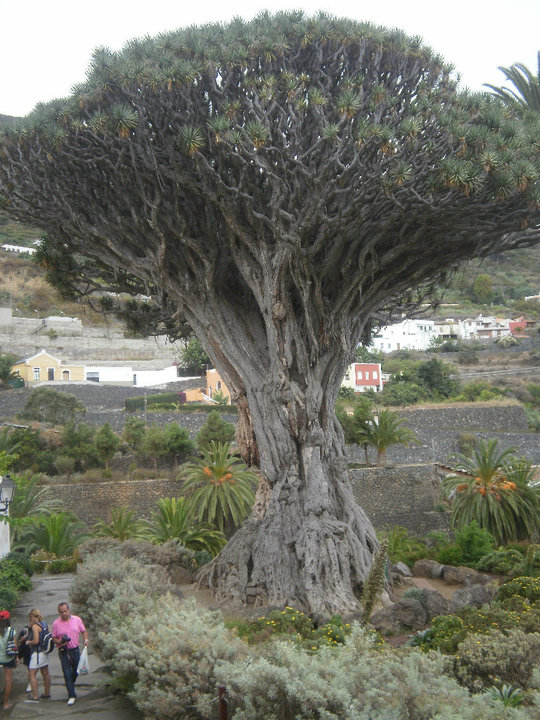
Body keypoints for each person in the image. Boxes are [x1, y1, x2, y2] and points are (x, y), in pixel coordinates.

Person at [52, 602, 88, 706]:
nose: (64, 613)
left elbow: (83, 631)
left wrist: (86, 639)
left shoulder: (77, 620)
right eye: (61, 612)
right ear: (59, 613)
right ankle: (72, 695)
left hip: (75, 650)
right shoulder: (56, 623)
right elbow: (53, 637)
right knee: (67, 673)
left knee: (77, 670)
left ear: (69, 610)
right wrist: (59, 642)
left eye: (65, 611)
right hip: (63, 650)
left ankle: (70, 684)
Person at [20, 608, 51, 703]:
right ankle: (46, 693)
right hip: (45, 652)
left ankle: (35, 696)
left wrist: (29, 641)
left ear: (32, 616)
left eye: (30, 617)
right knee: (45, 673)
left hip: (37, 653)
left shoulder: (35, 627)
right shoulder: (44, 624)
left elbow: (36, 641)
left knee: (32, 673)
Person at [0, 610, 18, 710]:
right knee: (8, 680)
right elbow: (15, 647)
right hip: (8, 659)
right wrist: (17, 657)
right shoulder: (11, 631)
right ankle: (5, 703)